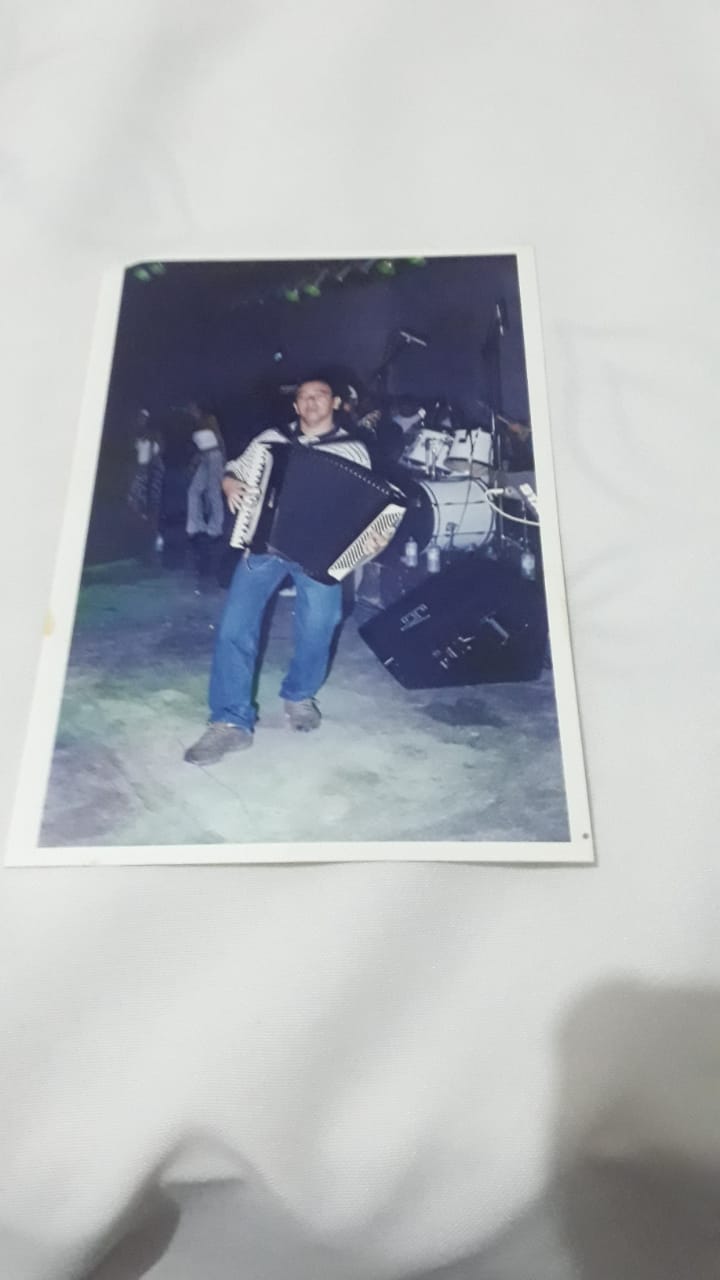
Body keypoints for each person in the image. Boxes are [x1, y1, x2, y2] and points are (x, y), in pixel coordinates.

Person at [184, 376, 392, 765]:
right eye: (304, 397)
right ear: (296, 406)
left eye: (319, 396)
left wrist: (373, 536)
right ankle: (230, 722)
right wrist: (229, 483)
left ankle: (299, 695)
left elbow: (363, 506)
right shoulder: (271, 439)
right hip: (264, 545)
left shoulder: (353, 449)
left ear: (334, 403)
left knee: (320, 624)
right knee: (234, 628)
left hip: (320, 552)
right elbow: (235, 468)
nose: (311, 402)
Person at [185, 404, 226, 588]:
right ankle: (196, 524)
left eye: (193, 409)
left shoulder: (209, 420)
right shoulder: (194, 425)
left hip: (215, 456)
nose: (191, 411)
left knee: (213, 492)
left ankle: (215, 527)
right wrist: (194, 462)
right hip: (204, 457)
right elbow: (199, 448)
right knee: (193, 490)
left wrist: (224, 461)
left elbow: (219, 440)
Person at [126, 408, 165, 544]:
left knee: (152, 501)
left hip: (152, 470)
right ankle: (138, 529)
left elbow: (159, 451)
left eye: (144, 417)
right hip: (139, 470)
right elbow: (131, 452)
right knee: (135, 499)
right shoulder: (133, 434)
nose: (141, 420)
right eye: (140, 417)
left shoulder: (154, 435)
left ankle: (152, 532)